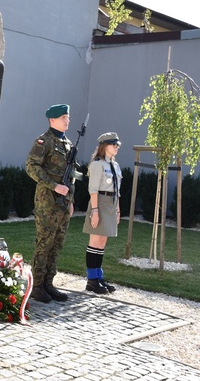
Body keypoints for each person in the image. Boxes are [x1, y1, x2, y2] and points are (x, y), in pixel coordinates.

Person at [25, 104, 74, 303]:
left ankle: (48, 284)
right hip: (47, 202)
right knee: (44, 242)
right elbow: (31, 166)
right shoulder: (43, 141)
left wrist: (71, 200)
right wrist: (53, 186)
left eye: (68, 117)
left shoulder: (68, 143)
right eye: (63, 117)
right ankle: (37, 286)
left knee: (57, 244)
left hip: (63, 203)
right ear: (52, 120)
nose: (67, 120)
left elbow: (70, 177)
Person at [83, 132, 122, 294]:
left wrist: (118, 209)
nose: (116, 147)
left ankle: (99, 277)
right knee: (95, 241)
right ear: (104, 146)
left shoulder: (115, 165)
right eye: (114, 144)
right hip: (99, 202)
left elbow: (117, 189)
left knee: (102, 242)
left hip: (111, 204)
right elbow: (93, 189)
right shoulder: (97, 165)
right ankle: (91, 280)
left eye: (117, 145)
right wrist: (95, 210)